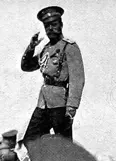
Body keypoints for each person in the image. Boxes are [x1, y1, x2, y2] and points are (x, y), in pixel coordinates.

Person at [20, 6, 85, 142]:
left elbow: (77, 79)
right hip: (43, 102)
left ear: (61, 24)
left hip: (60, 104)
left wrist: (71, 108)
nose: (50, 28)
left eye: (54, 24)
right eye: (47, 26)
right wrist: (31, 47)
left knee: (64, 145)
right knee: (30, 140)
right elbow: (26, 66)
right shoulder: (46, 49)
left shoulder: (70, 47)